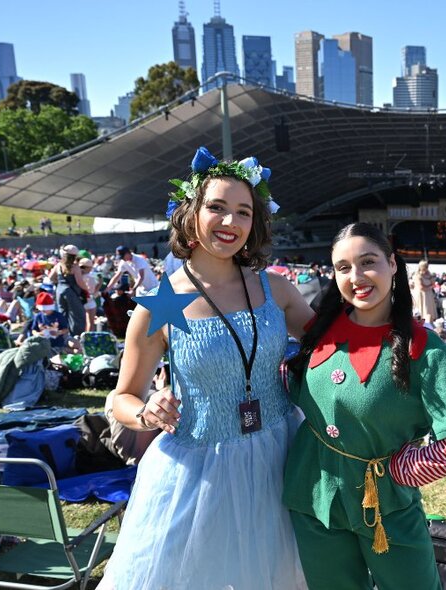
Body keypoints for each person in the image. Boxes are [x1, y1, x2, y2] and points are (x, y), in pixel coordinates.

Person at [101, 147, 314, 589]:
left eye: (243, 212)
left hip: (281, 453)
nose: (230, 223)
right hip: (197, 472)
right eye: (217, 207)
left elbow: (337, 347)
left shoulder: (277, 289)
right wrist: (146, 412)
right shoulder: (161, 302)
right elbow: (121, 397)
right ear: (191, 212)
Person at [284, 222, 446, 590]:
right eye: (343, 268)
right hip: (313, 492)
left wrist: (410, 469)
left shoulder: (425, 349)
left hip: (385, 504)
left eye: (368, 262)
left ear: (392, 264)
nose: (357, 277)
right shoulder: (319, 330)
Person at [48, 244, 89, 336]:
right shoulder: (75, 267)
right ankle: (76, 336)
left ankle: (63, 335)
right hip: (71, 292)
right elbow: (79, 282)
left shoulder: (58, 265)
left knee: (62, 314)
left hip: (59, 291)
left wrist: (59, 283)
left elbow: (51, 277)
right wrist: (87, 289)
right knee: (77, 315)